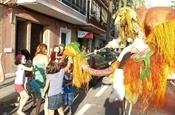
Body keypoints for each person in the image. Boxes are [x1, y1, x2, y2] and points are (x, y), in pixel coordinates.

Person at [33, 43, 49, 115]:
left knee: (39, 98)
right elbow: (48, 69)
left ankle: (37, 113)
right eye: (46, 48)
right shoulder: (45, 57)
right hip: (43, 78)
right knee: (46, 98)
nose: (47, 50)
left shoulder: (34, 57)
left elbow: (33, 70)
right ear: (44, 49)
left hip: (36, 79)